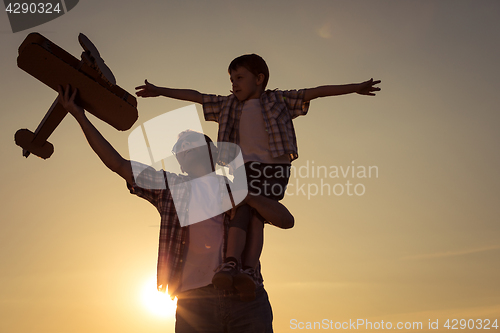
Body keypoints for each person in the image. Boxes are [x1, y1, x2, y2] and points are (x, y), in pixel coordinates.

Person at [135, 53, 381, 296]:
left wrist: (356, 87)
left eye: (240, 77)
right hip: (246, 169)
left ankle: (249, 268)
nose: (234, 84)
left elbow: (317, 91)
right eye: (231, 79)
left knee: (257, 217)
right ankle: (233, 263)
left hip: (276, 169)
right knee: (242, 210)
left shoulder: (279, 99)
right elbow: (197, 97)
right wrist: (160, 90)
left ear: (259, 78)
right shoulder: (228, 105)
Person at [58, 84, 294, 333]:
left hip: (246, 299)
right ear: (179, 162)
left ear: (211, 151)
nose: (184, 150)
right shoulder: (170, 187)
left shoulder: (237, 185)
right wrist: (78, 115)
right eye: (179, 149)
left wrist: (247, 198)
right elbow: (117, 163)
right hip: (194, 305)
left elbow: (285, 219)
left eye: (191, 144)